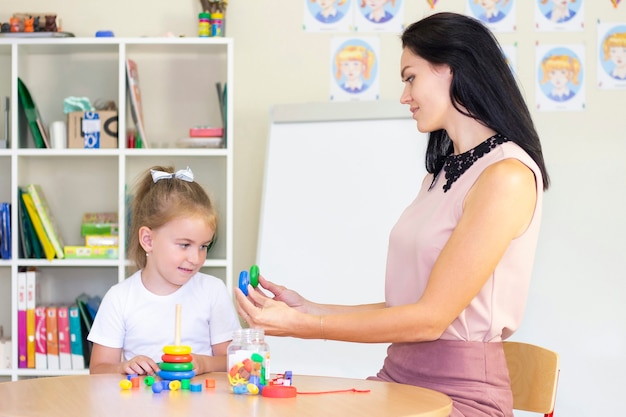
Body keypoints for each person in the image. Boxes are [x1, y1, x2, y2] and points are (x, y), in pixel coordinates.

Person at [236, 12, 550, 417]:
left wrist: (307, 329)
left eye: (410, 77)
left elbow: (430, 320)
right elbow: (408, 309)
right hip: (400, 380)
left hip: (462, 398)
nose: (405, 95)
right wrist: (309, 309)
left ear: (450, 68)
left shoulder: (505, 176)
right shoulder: (440, 175)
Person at [89, 165, 240, 375]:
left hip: (203, 407)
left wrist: (204, 364)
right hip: (140, 407)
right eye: (184, 245)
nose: (196, 258)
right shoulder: (120, 298)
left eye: (203, 246)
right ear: (148, 240)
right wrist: (124, 367)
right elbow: (98, 370)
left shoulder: (212, 291)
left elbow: (232, 361)